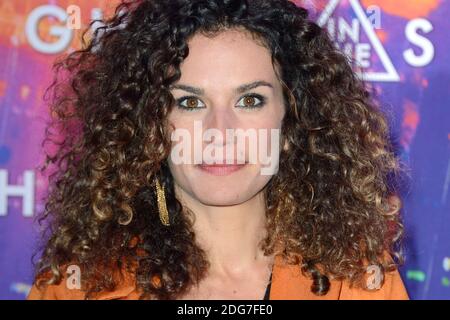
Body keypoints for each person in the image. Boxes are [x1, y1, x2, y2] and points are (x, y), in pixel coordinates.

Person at [28, 0, 409, 300]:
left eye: (250, 100)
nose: (219, 133)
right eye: (190, 103)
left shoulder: (357, 280)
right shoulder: (79, 286)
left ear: (292, 115)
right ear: (148, 123)